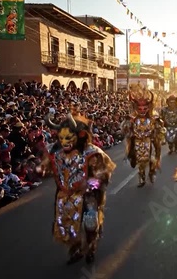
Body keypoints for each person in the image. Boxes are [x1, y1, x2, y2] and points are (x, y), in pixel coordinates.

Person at [38, 106, 116, 264]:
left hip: (87, 195)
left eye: (69, 137)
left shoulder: (92, 152)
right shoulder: (57, 153)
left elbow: (103, 173)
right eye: (62, 137)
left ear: (80, 135)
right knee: (67, 227)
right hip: (65, 195)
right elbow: (49, 168)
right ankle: (76, 248)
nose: (64, 141)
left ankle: (91, 246)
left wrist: (90, 184)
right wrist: (43, 168)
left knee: (90, 224)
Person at [124, 84, 164, 187]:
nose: (142, 110)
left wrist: (157, 128)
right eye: (140, 108)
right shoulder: (132, 116)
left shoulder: (153, 116)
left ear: (149, 107)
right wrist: (129, 126)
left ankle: (152, 170)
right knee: (139, 159)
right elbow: (124, 128)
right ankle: (141, 177)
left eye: (144, 108)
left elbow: (161, 126)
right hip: (137, 139)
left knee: (155, 151)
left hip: (149, 138)